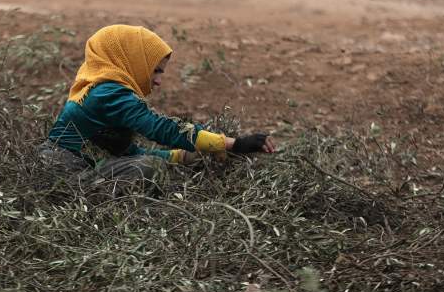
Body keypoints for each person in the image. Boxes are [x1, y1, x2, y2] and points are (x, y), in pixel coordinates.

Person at [40, 24, 276, 193]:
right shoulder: (109, 93)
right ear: (131, 61)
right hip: (63, 177)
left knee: (149, 163)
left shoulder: (104, 90)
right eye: (156, 71)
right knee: (150, 169)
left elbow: (126, 153)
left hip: (74, 172)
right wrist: (234, 144)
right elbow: (160, 128)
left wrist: (184, 157)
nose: (158, 81)